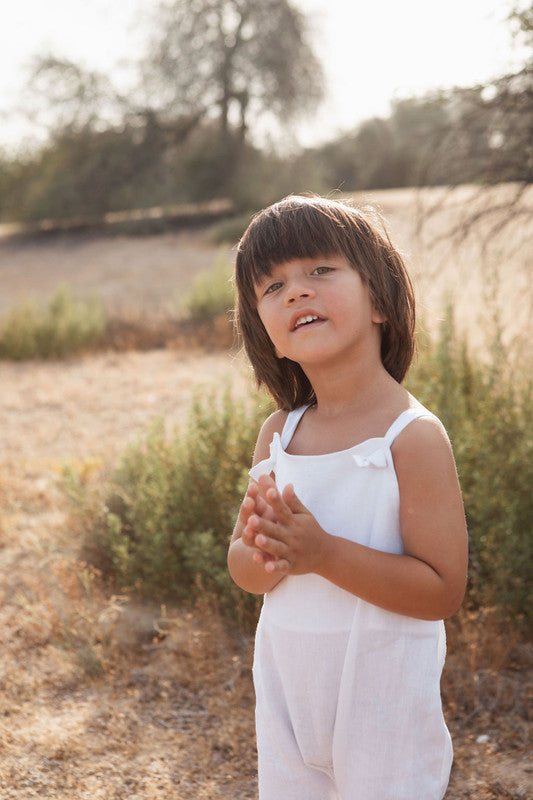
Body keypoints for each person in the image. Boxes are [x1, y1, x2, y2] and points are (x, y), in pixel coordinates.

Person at [227, 195, 468, 800]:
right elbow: (244, 568)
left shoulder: (410, 437)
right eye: (273, 286)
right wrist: (265, 553)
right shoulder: (278, 436)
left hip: (381, 710)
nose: (296, 292)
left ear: (381, 300)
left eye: (320, 271)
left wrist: (322, 554)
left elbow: (442, 589)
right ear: (268, 334)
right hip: (288, 696)